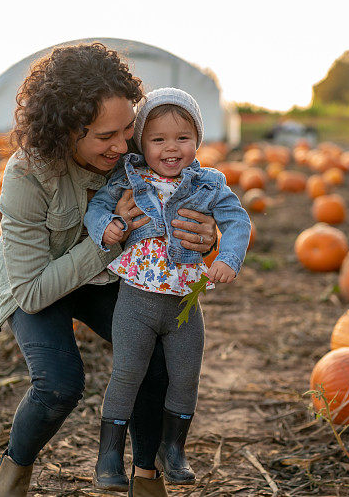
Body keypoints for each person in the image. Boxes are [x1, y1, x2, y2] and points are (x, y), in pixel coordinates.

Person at [0, 44, 218, 497]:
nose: (122, 144)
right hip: (40, 280)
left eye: (128, 128)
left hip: (111, 278)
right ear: (65, 132)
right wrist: (110, 239)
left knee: (158, 361)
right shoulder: (27, 177)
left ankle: (147, 477)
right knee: (59, 384)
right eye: (105, 136)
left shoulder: (135, 145)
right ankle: (13, 473)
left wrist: (206, 234)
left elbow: (190, 188)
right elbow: (32, 292)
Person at [84, 88, 251, 493]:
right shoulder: (129, 175)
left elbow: (238, 221)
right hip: (136, 301)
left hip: (183, 305)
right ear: (142, 141)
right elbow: (97, 208)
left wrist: (227, 257)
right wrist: (105, 227)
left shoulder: (210, 184)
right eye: (158, 139)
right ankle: (109, 458)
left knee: (186, 376)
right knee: (127, 374)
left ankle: (172, 450)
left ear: (198, 139)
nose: (171, 149)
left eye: (182, 138)